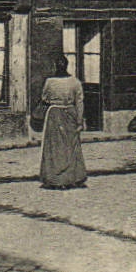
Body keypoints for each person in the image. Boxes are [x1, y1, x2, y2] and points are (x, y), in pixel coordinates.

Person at [37, 55, 87, 189]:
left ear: (55, 66)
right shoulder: (75, 82)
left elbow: (44, 98)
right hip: (70, 113)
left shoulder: (49, 82)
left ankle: (56, 178)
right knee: (71, 145)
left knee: (54, 146)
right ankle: (73, 177)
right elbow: (80, 103)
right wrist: (79, 121)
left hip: (54, 114)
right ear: (67, 65)